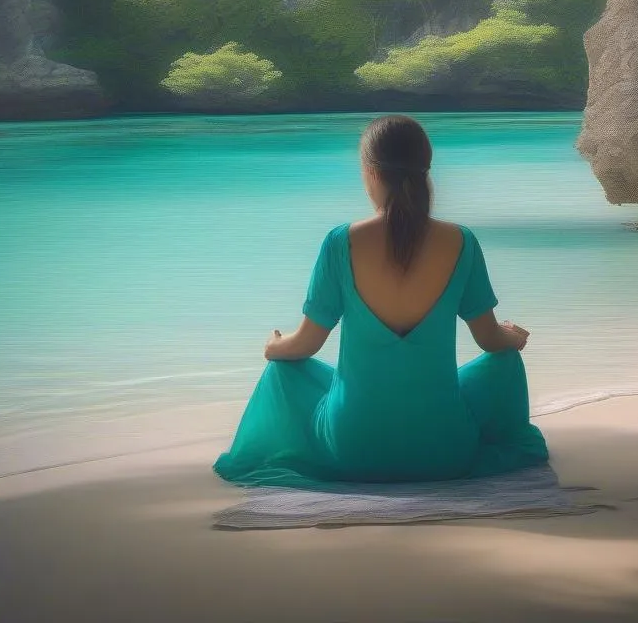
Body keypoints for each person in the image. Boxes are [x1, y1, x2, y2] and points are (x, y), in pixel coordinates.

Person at [213, 114, 549, 488]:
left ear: (371, 172)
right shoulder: (462, 242)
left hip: (351, 448)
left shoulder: (341, 242)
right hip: (443, 450)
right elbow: (489, 340)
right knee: (504, 362)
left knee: (282, 370)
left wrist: (275, 347)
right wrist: (513, 338)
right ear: (425, 172)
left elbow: (306, 345)